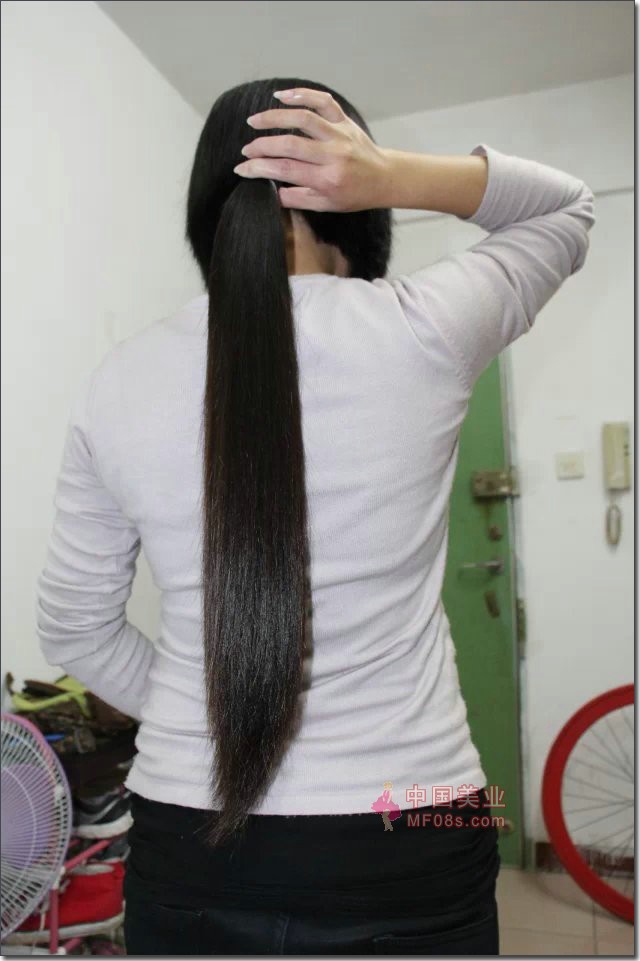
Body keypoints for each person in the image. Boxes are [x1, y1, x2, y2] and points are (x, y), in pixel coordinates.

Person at [36, 77, 595, 955]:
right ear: (354, 198)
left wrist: (209, 712)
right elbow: (565, 209)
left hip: (189, 828)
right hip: (414, 815)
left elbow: (74, 626)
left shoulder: (120, 379)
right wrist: (392, 175)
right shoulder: (423, 326)